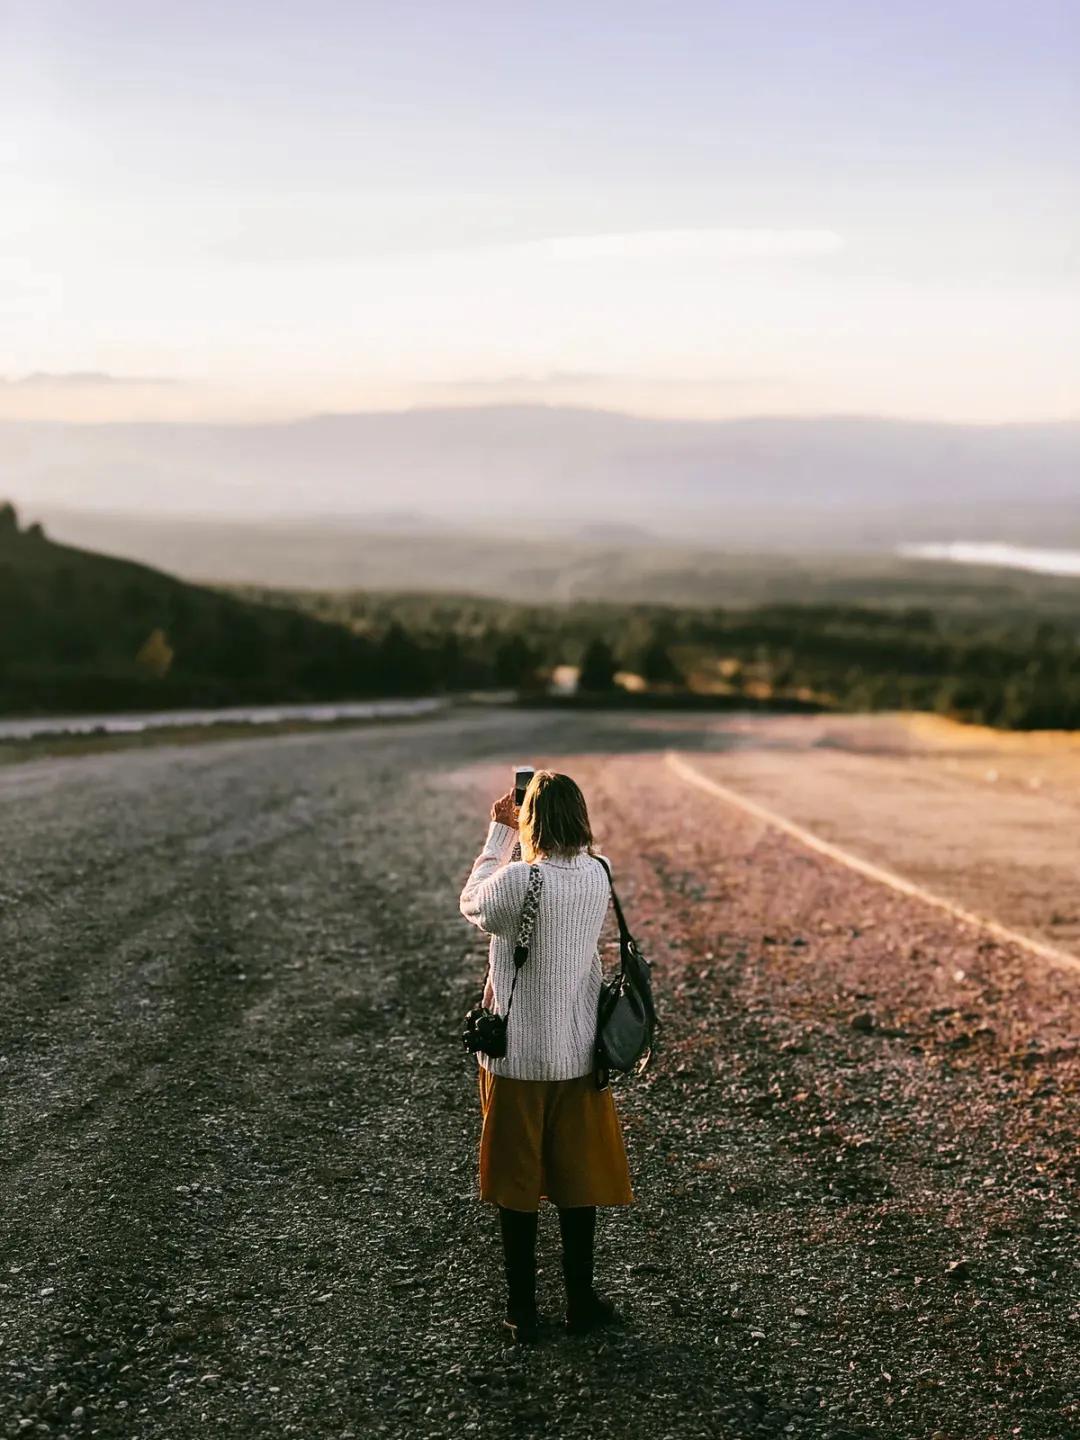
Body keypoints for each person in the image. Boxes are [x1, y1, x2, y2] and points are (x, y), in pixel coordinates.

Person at [459, 770, 635, 1343]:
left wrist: (498, 833)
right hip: (580, 1057)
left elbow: (471, 903)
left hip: (517, 1063)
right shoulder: (600, 873)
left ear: (528, 817)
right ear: (581, 816)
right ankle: (580, 1305)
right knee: (577, 1184)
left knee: (517, 1188)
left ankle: (523, 1313)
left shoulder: (518, 881)